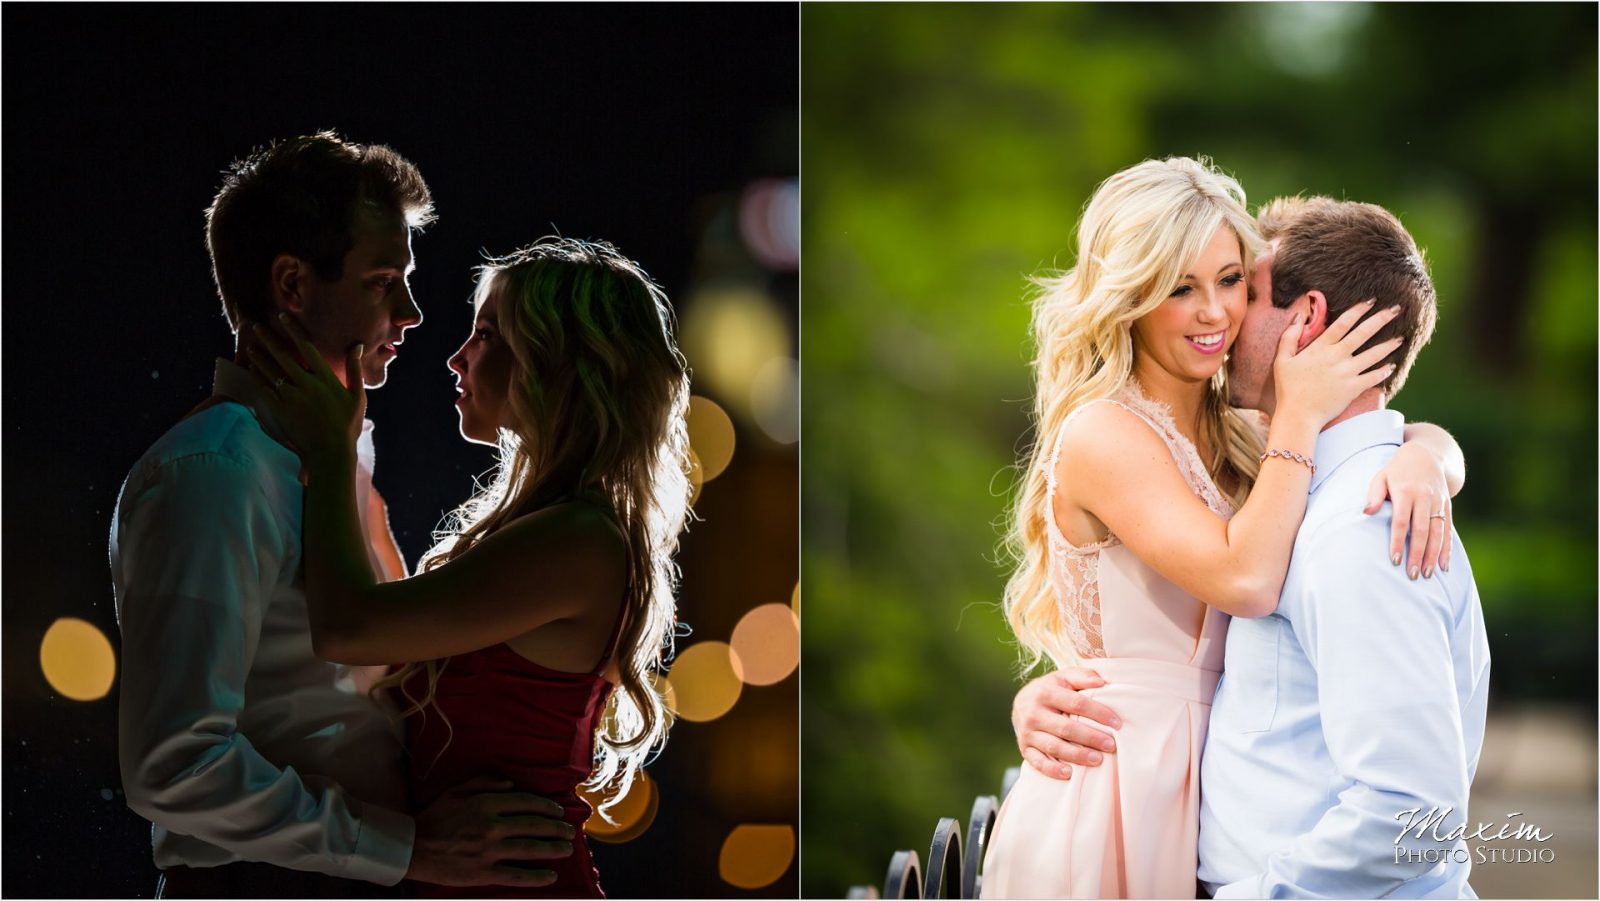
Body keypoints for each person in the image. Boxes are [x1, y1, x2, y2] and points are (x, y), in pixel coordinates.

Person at [978, 158, 1468, 899]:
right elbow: (1244, 577)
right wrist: (1301, 412)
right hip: (1121, 791)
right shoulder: (1104, 433)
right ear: (1131, 295)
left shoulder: (1248, 438)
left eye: (1232, 280)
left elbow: (1371, 433)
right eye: (1180, 287)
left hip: (1208, 808)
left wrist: (1427, 456)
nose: (1214, 312)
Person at [111, 133, 573, 899]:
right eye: (382, 281)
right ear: (292, 285)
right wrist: (407, 847)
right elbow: (175, 765)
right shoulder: (214, 473)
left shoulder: (338, 457)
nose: (413, 312)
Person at [243, 236, 692, 898]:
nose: (457, 356)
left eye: (486, 333)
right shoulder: (555, 530)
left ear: (553, 361)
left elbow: (347, 628)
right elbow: (383, 630)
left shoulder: (577, 539)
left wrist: (333, 449)